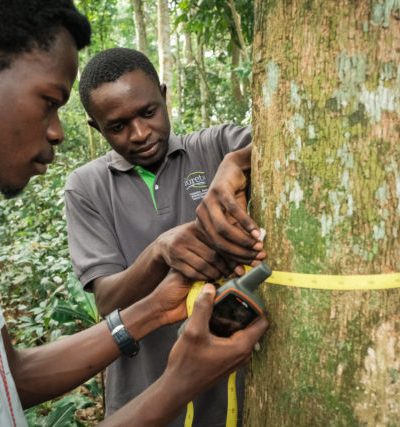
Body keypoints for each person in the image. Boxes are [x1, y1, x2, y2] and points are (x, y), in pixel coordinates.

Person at [0, 1, 268, 426]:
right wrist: (178, 385)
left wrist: (156, 310)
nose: (57, 132)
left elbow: (4, 376)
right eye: (49, 101)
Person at [66, 48, 266, 426]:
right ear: (96, 128)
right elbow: (108, 299)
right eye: (118, 126)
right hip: (141, 394)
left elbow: (291, 144)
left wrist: (235, 163)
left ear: (164, 95)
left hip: (232, 389)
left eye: (148, 112)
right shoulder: (87, 187)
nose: (140, 134)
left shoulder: (216, 146)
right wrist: (159, 251)